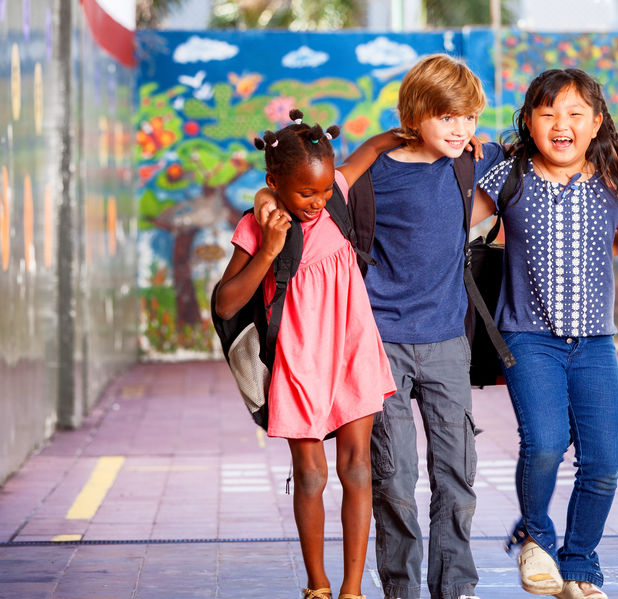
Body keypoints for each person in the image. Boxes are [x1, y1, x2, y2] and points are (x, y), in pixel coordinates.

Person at [257, 54, 504, 599]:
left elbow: (526, 150)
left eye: (468, 118)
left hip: (446, 343)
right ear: (416, 115)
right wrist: (263, 197)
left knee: (457, 479)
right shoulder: (374, 176)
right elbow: (294, 191)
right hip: (380, 344)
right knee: (395, 481)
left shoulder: (467, 162)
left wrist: (480, 144)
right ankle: (401, 590)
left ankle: (455, 586)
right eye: (448, 117)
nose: (461, 129)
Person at [474, 68, 618, 599]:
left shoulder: (613, 182)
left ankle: (579, 565)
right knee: (545, 444)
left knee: (604, 461)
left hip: (595, 343)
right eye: (548, 113)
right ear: (530, 123)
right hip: (527, 337)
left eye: (576, 113)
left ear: (596, 122)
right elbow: (445, 220)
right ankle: (536, 538)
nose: (562, 124)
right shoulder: (507, 175)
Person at [214, 109, 397, 599]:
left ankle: (352, 589)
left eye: (322, 191)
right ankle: (317, 585)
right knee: (311, 473)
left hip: (353, 344)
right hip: (299, 356)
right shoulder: (259, 226)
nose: (318, 202)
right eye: (305, 193)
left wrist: (432, 132)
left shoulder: (333, 190)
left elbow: (374, 147)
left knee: (358, 468)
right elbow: (225, 301)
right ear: (274, 181)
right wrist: (270, 250)